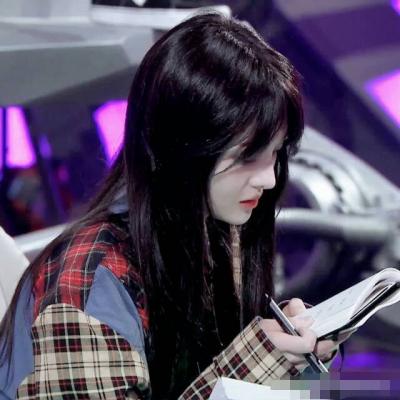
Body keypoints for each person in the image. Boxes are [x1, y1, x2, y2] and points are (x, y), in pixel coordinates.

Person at [0, 12, 353, 400]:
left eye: (276, 154)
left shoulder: (212, 237)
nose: (268, 179)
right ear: (180, 149)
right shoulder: (89, 281)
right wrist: (255, 364)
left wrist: (296, 360)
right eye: (247, 157)